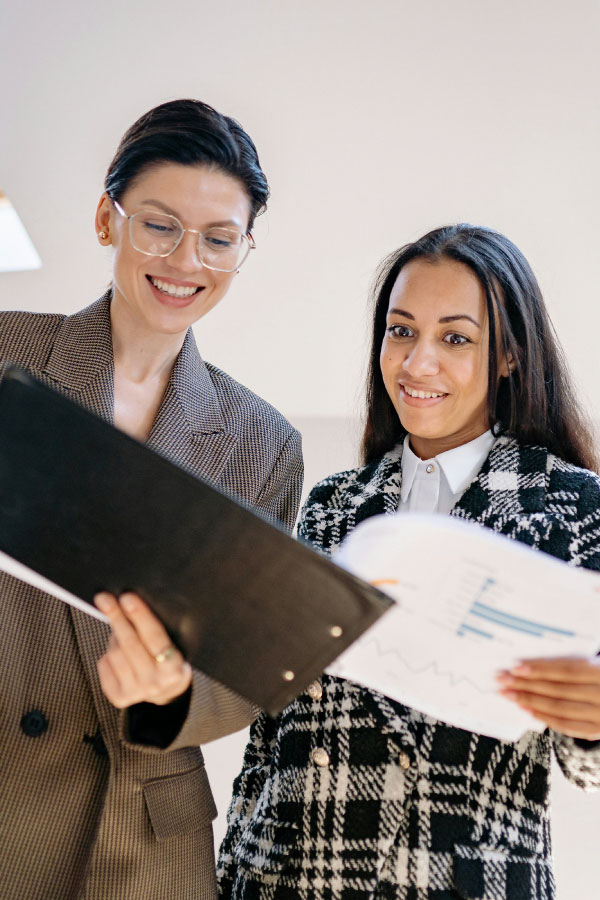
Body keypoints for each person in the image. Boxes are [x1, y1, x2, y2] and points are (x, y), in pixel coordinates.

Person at [217, 224, 600, 900]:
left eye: (456, 338)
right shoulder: (330, 506)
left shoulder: (572, 506)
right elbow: (272, 730)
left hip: (460, 884)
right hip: (289, 878)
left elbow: (584, 756)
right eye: (401, 331)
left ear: (509, 355)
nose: (418, 363)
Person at [0, 99, 302, 900]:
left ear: (244, 250)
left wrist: (174, 692)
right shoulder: (7, 356)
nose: (185, 261)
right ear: (109, 218)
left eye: (218, 238)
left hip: (140, 841)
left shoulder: (261, 441)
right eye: (159, 225)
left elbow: (245, 665)